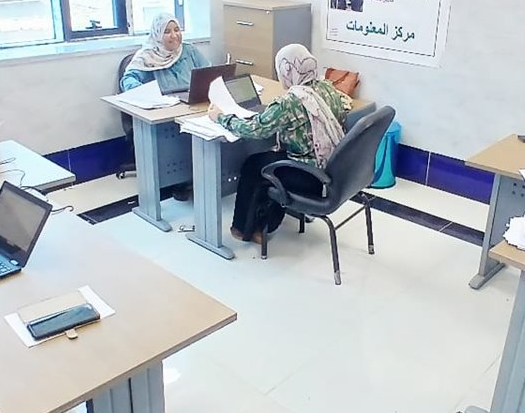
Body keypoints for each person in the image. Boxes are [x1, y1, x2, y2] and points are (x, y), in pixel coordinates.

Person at [209, 44, 352, 243]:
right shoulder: (326, 88)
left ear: (287, 70)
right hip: (330, 167)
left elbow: (255, 129)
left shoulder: (290, 102)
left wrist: (221, 117)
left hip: (309, 175)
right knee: (270, 159)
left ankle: (244, 229)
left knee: (254, 165)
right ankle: (266, 223)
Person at [120, 13, 209, 92]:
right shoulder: (147, 56)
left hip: (193, 102)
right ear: (157, 35)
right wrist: (145, 93)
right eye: (167, 32)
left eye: (177, 30)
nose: (174, 36)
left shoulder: (189, 50)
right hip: (163, 103)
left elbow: (209, 73)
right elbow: (128, 80)